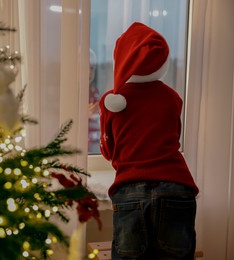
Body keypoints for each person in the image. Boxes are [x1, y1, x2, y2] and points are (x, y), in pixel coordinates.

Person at [99, 22, 199, 259]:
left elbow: (108, 148)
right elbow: (174, 135)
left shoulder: (113, 101)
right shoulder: (172, 98)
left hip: (130, 188)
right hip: (177, 187)